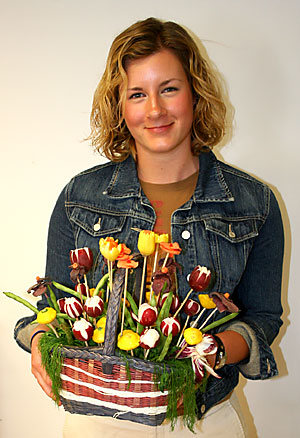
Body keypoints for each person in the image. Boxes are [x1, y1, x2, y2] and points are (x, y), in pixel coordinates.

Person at [15, 17, 284, 438]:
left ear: (196, 94)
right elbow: (51, 304)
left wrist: (206, 356)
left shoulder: (253, 203)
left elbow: (262, 318)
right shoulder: (80, 197)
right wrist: (38, 343)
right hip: (98, 422)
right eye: (137, 94)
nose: (155, 110)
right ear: (120, 106)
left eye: (169, 89)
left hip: (205, 421)